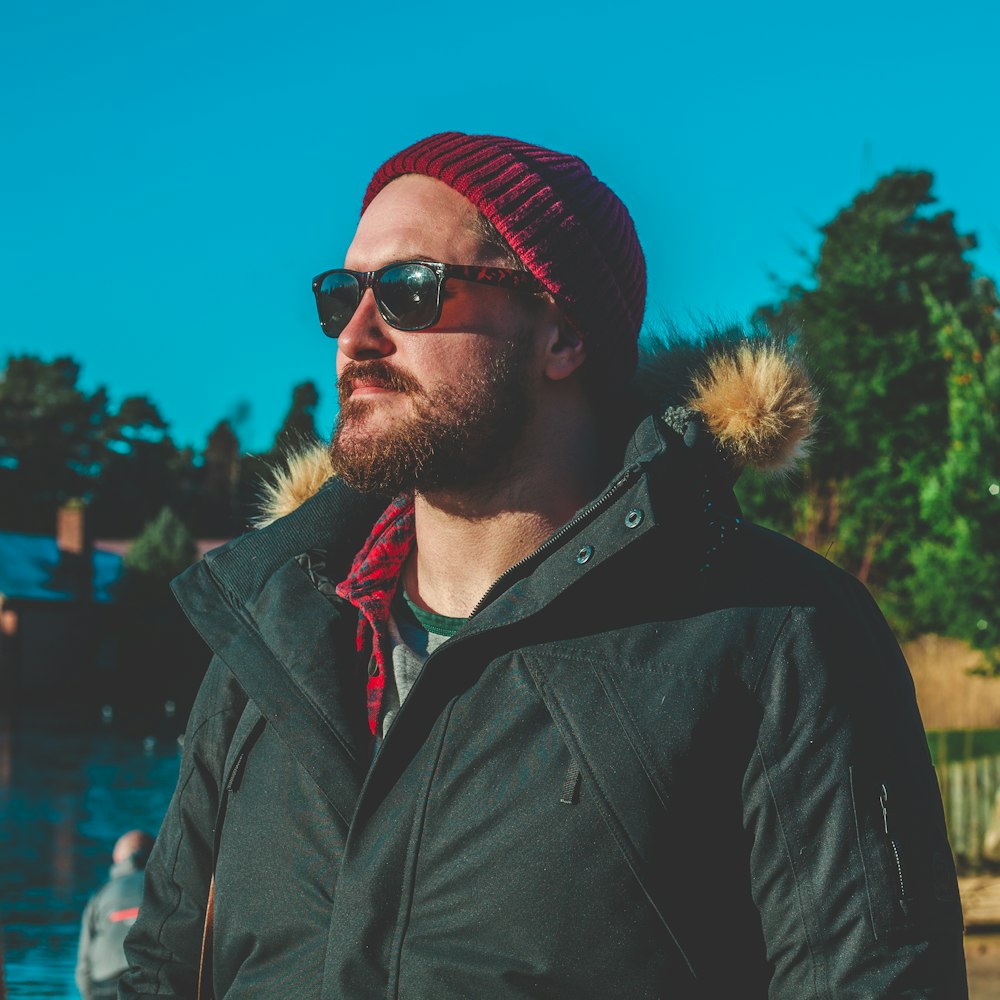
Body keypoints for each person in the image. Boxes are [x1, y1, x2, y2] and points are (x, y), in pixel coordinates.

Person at [121, 132, 967, 998]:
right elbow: (159, 976)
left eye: (412, 291)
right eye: (343, 297)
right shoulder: (270, 633)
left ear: (562, 335)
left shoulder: (780, 634)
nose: (358, 337)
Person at [76, 829, 153, 999]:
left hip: (103, 986)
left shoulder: (100, 895)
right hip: (148, 984)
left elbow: (83, 965)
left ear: (118, 859)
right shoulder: (164, 888)